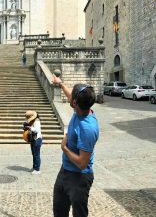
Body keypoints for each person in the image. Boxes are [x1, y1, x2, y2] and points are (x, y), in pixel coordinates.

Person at [52, 75, 99, 217]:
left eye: (72, 99)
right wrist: (60, 83)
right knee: (59, 210)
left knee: (79, 214)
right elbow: (69, 95)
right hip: (65, 171)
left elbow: (82, 163)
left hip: (79, 178)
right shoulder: (81, 109)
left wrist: (64, 148)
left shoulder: (88, 128)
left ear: (75, 103)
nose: (70, 99)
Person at [24, 111, 42, 175]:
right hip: (33, 139)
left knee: (36, 154)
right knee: (34, 154)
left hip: (37, 139)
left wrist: (30, 128)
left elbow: (37, 130)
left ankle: (37, 169)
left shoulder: (37, 121)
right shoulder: (33, 121)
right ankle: (34, 167)